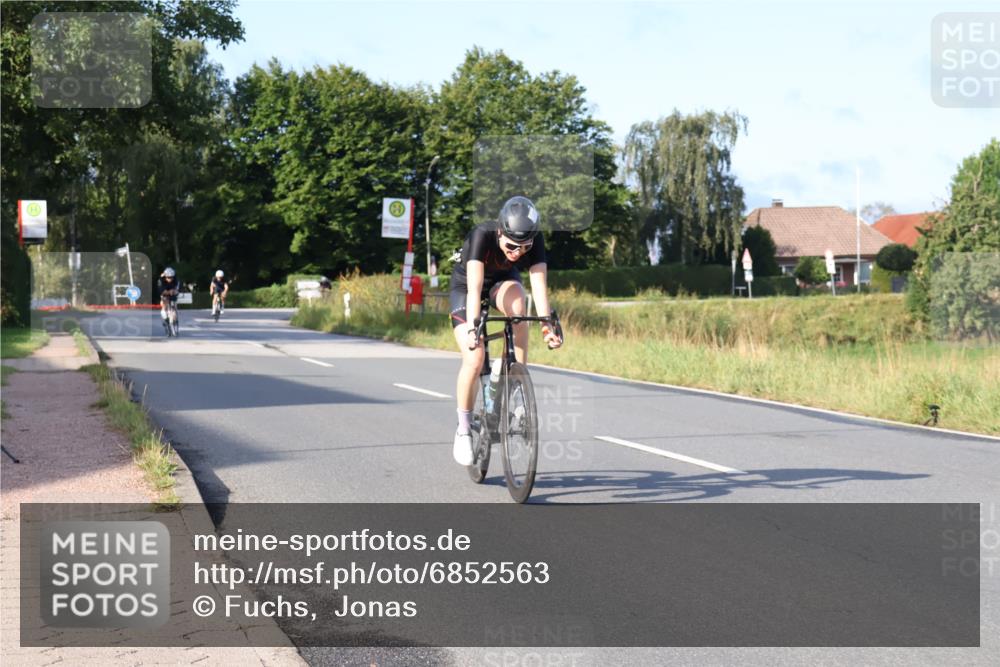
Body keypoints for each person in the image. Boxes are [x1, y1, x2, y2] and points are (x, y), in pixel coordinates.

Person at [448, 196, 562, 466]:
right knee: (474, 359)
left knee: (520, 311)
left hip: (503, 282)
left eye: (524, 247)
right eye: (511, 245)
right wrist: (475, 330)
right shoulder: (482, 235)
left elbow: (539, 287)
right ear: (499, 232)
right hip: (467, 288)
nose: (517, 252)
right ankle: (463, 428)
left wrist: (547, 325)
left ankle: (517, 382)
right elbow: (475, 289)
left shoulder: (534, 240)